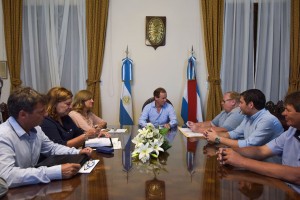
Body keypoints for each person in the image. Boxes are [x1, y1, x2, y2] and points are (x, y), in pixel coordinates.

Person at [0, 87, 92, 188]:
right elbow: (6, 176)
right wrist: (55, 172)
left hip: (29, 187)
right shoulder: (3, 136)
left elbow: (52, 148)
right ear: (23, 115)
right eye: (41, 112)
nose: (46, 114)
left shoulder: (36, 129)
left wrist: (77, 152)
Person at [217, 91, 300, 193]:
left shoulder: (268, 120)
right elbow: (262, 150)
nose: (283, 113)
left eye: (288, 110)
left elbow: (297, 176)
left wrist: (242, 161)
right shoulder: (292, 130)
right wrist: (230, 151)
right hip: (284, 186)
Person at [204, 89, 283, 148]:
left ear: (251, 105)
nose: (239, 106)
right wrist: (211, 135)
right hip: (253, 159)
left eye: (241, 103)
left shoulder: (267, 120)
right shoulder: (248, 116)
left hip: (268, 165)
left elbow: (248, 144)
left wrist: (217, 138)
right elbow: (234, 134)